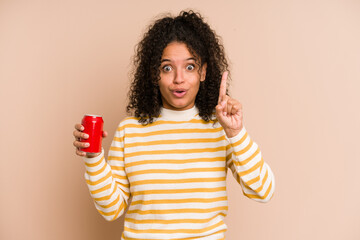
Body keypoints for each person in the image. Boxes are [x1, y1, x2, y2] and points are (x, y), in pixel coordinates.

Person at [73, 10, 274, 240]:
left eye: (189, 67)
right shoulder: (130, 131)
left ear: (204, 72)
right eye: (167, 68)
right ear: (154, 74)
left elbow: (263, 191)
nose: (179, 79)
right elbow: (111, 209)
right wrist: (94, 158)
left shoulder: (220, 129)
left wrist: (236, 134)